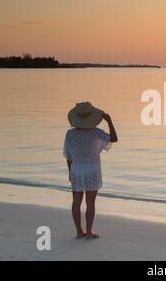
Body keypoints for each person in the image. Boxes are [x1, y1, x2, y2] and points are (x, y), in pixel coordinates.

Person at [63, 102, 118, 239]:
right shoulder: (96, 132)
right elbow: (114, 139)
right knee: (90, 203)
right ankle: (88, 232)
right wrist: (109, 121)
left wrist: (70, 171)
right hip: (92, 169)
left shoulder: (70, 134)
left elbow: (69, 156)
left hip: (76, 168)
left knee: (76, 202)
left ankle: (79, 232)